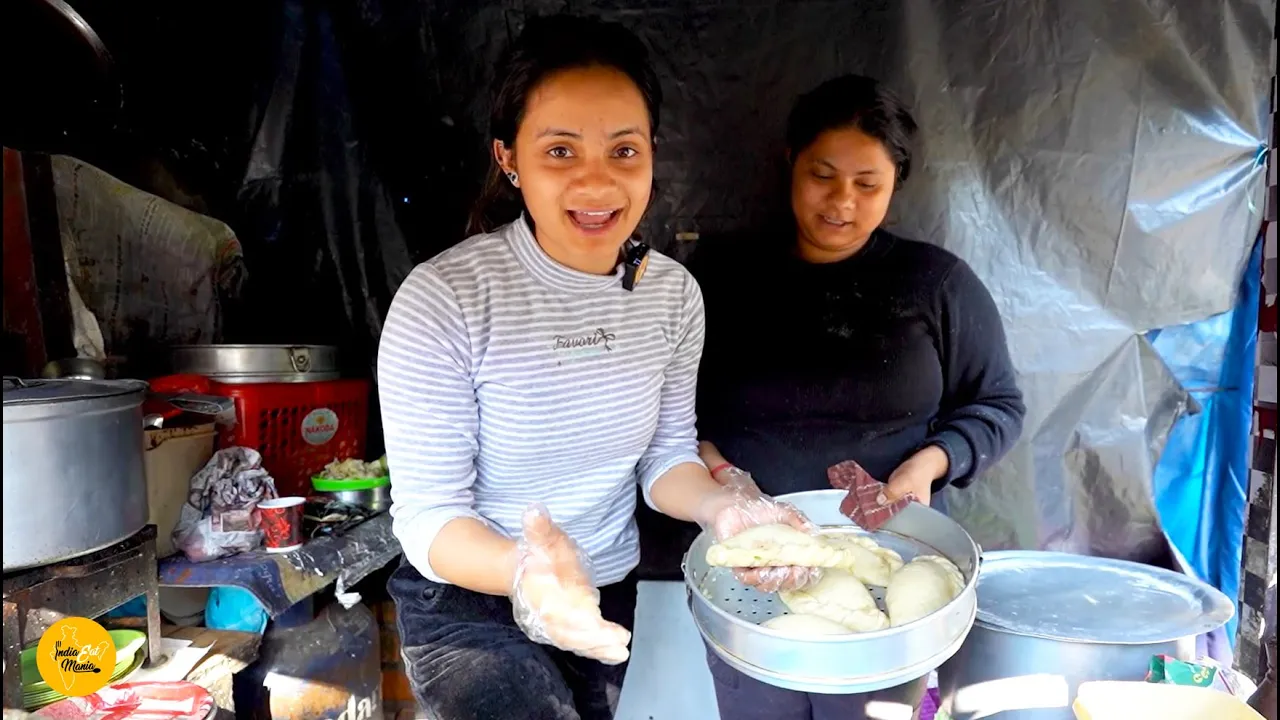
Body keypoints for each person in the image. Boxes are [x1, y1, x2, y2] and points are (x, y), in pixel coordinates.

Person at [378, 15, 817, 720]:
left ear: (652, 156)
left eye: (623, 150)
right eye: (559, 151)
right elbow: (431, 517)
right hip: (468, 602)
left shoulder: (671, 295)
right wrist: (525, 571)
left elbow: (667, 456)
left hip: (608, 590)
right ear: (508, 157)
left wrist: (720, 507)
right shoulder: (446, 299)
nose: (597, 181)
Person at [691, 74, 1027, 720]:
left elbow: (997, 404)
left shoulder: (935, 284)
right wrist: (721, 480)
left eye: (867, 184)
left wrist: (929, 464)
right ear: (790, 162)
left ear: (896, 183)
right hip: (751, 567)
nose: (842, 201)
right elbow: (668, 412)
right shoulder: (722, 278)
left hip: (897, 561)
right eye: (823, 175)